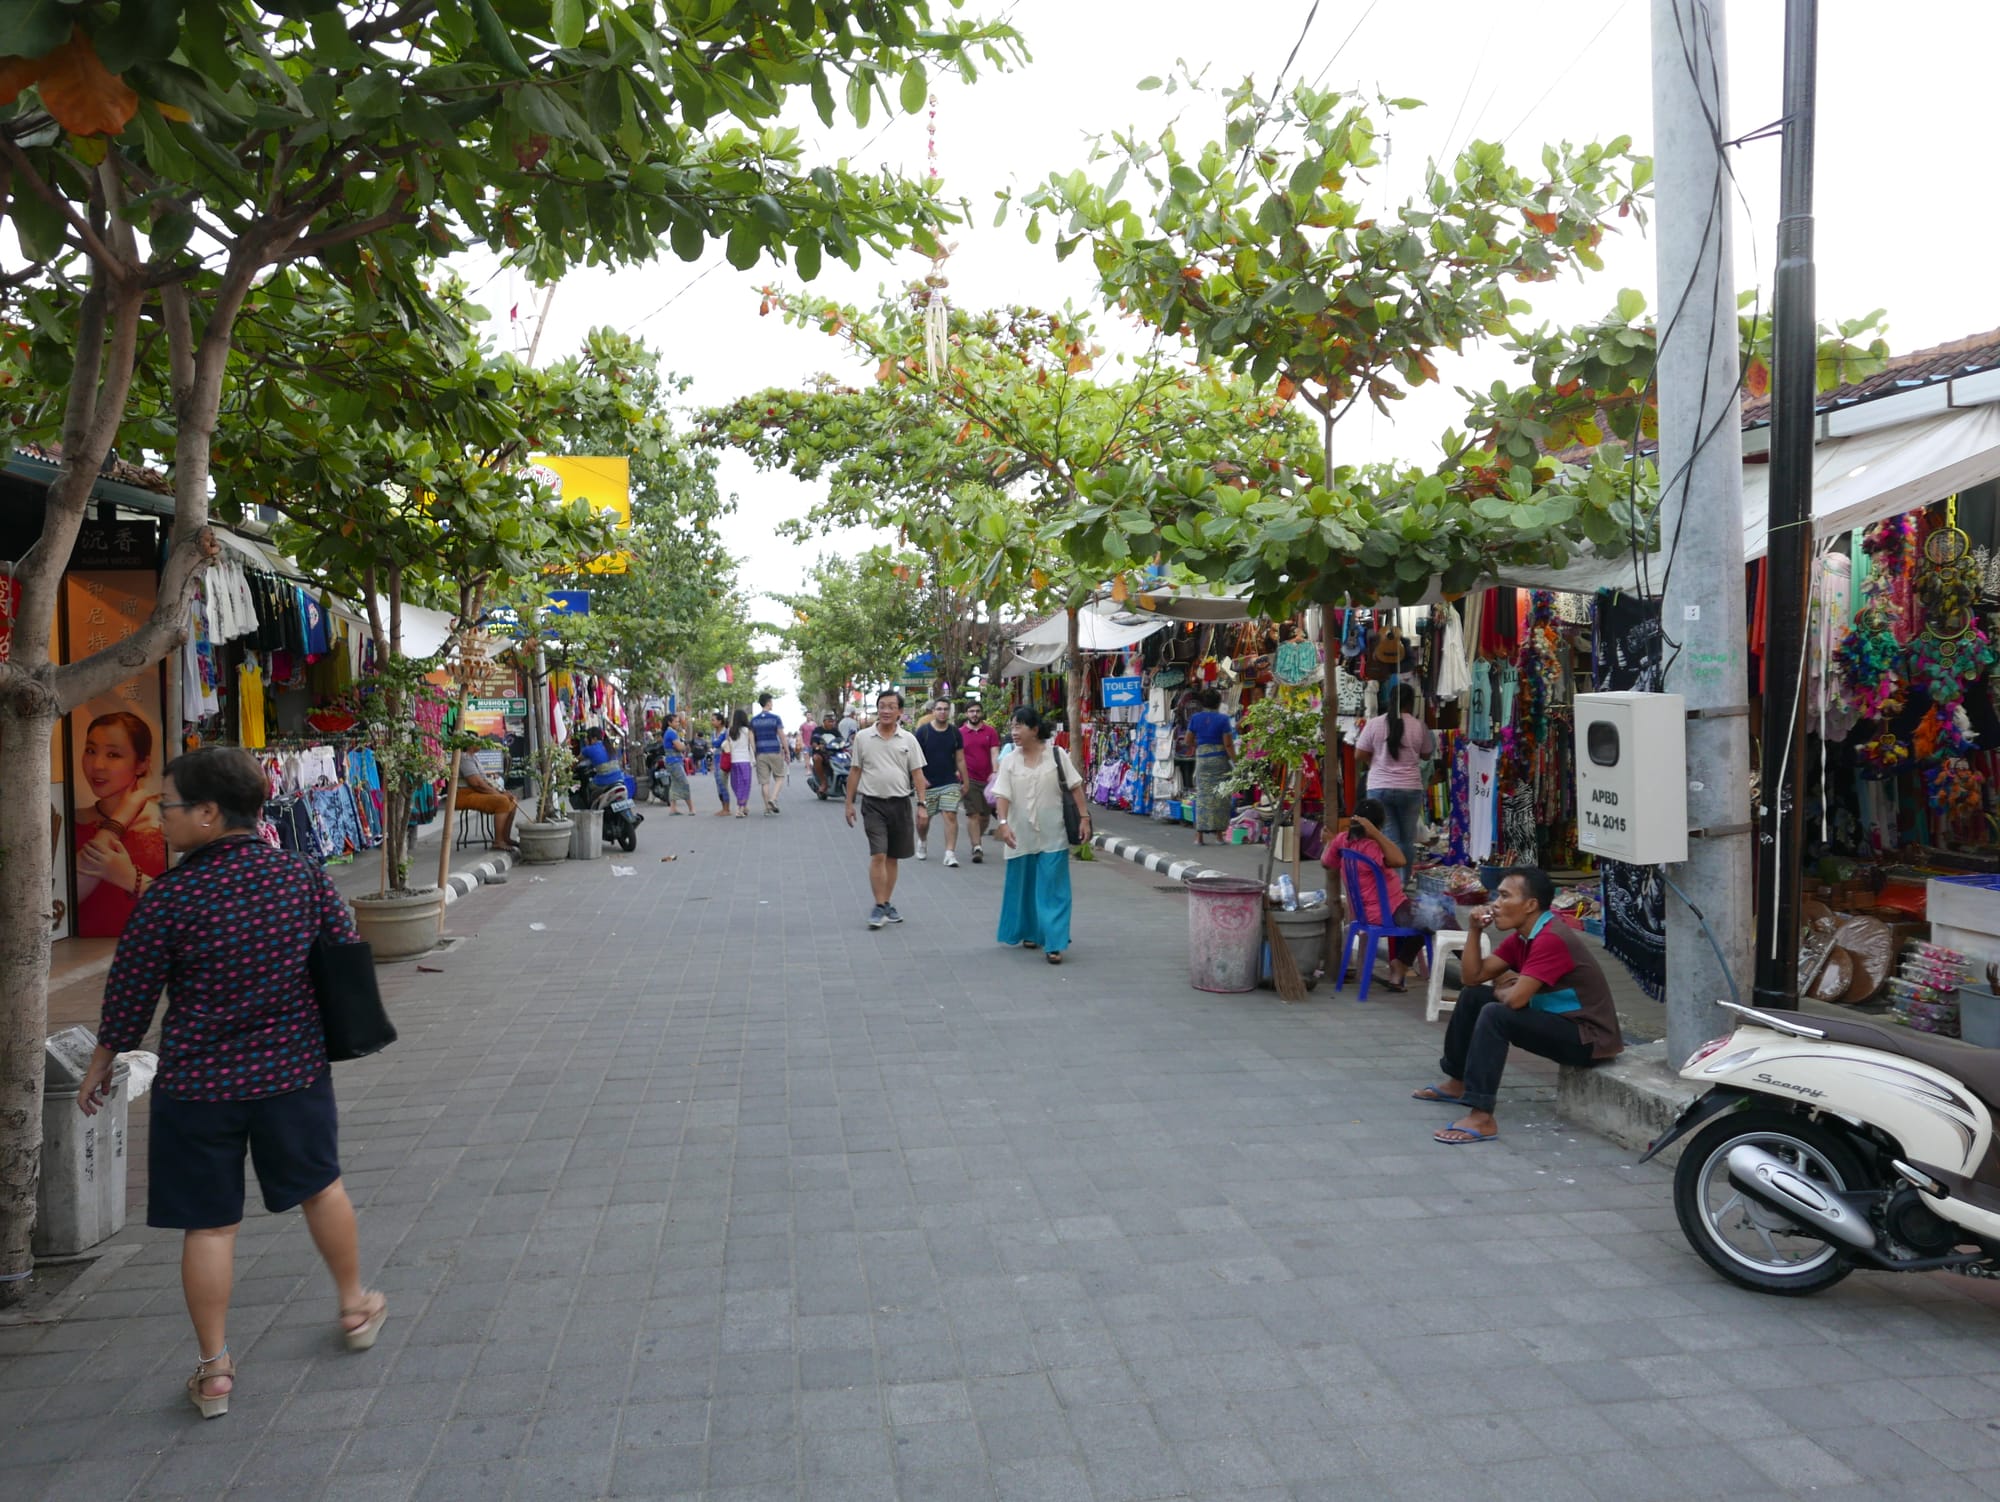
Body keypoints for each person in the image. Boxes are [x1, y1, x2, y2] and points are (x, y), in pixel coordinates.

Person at [77, 747, 387, 1420]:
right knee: (321, 1188)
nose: (162, 818)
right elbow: (342, 951)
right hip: (291, 1074)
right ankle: (355, 1307)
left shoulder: (170, 899)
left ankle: (215, 1372)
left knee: (210, 1229)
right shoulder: (301, 877)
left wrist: (100, 1066)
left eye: (169, 807)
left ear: (210, 814)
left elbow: (130, 995)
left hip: (196, 1087)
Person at [1417, 867, 1624, 1145]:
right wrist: (1475, 932)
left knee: (1495, 1014)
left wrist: (1507, 989)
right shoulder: (1523, 937)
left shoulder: (1551, 938)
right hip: (1561, 1023)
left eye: (1504, 896)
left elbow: (1515, 1000)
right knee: (1475, 996)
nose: (1496, 904)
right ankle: (1458, 1081)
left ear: (1530, 905)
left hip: (1589, 1039)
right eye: (1497, 896)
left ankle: (1482, 1115)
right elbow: (1472, 977)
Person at [992, 706, 1091, 963]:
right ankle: (1031, 931)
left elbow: (1076, 787)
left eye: (1019, 726)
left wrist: (1084, 818)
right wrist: (1003, 824)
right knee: (1024, 887)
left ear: (1034, 729)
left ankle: (1054, 943)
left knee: (1054, 889)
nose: (1014, 732)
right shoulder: (1010, 760)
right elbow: (1002, 794)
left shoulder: (1057, 755)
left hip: (1053, 834)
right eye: (1012, 726)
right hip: (1019, 835)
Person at [74, 708, 169, 938]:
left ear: (141, 764)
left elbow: (188, 904)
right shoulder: (73, 822)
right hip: (82, 958)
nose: (97, 765)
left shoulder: (166, 820)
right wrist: (120, 818)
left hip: (150, 956)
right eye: (90, 750)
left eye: (113, 755)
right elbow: (64, 896)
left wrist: (129, 877)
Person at [844, 688, 928, 929]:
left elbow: (918, 774)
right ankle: (880, 906)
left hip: (901, 803)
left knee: (893, 857)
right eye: (882, 706)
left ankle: (886, 902)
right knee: (878, 853)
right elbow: (855, 771)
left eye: (892, 706)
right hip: (872, 804)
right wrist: (849, 803)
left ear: (900, 712)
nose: (886, 711)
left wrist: (922, 805)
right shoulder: (863, 737)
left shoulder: (909, 740)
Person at [1322, 797, 1423, 992]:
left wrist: (1330, 842)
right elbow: (1400, 860)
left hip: (1364, 913)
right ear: (1378, 824)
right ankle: (1400, 965)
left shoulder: (1342, 841)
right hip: (1388, 911)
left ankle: (1399, 968)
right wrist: (1376, 833)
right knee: (1437, 917)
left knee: (1432, 914)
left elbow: (1327, 863)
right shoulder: (1374, 847)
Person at [1354, 682, 1431, 868]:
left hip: (1379, 786)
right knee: (1407, 839)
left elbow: (1359, 754)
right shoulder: (1419, 726)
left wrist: (1374, 761)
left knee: (1389, 837)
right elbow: (1426, 754)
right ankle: (1402, 884)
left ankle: (1394, 885)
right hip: (1410, 788)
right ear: (1410, 703)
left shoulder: (1375, 724)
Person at [913, 698, 966, 867]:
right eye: (939, 709)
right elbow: (913, 759)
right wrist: (920, 779)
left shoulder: (954, 733)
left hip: (949, 781)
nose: (942, 712)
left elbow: (960, 758)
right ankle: (922, 841)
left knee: (950, 815)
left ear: (949, 712)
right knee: (923, 821)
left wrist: (966, 780)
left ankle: (950, 853)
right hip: (927, 784)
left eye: (945, 709)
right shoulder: (923, 732)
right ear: (933, 711)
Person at [1185, 689, 1236, 845]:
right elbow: (1228, 744)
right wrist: (1237, 761)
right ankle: (1219, 835)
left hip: (1203, 760)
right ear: (1218, 703)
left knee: (1203, 797)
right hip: (1219, 761)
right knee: (1220, 797)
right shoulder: (1223, 719)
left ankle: (1199, 836)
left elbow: (1188, 740)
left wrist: (1201, 746)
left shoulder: (1195, 718)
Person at [958, 701, 1002, 864]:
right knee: (973, 814)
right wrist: (958, 773)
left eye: (977, 711)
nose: (974, 714)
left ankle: (978, 838)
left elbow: (994, 752)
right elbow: (957, 755)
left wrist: (995, 772)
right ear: (966, 714)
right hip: (969, 779)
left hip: (988, 779)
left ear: (981, 713)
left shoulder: (990, 731)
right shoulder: (960, 732)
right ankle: (976, 846)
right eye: (971, 711)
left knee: (984, 816)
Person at [454, 749, 520, 850]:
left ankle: (505, 837)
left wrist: (500, 791)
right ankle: (498, 841)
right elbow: (476, 783)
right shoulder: (464, 758)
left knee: (512, 799)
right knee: (502, 801)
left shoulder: (473, 757)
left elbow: (483, 781)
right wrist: (499, 794)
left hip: (476, 792)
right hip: (465, 794)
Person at [750, 691, 788, 814]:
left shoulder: (754, 720)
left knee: (764, 782)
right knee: (779, 777)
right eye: (771, 702)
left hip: (761, 752)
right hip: (774, 751)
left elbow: (751, 738)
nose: (772, 704)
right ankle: (773, 798)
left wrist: (755, 751)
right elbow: (782, 736)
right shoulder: (775, 718)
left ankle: (767, 808)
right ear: (768, 703)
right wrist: (787, 751)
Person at [653, 716, 695, 816]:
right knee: (684, 783)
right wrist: (685, 746)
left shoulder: (667, 732)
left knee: (675, 784)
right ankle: (691, 808)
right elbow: (680, 747)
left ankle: (673, 808)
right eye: (676, 722)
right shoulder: (672, 733)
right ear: (669, 722)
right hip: (674, 762)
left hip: (670, 761)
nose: (678, 723)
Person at [708, 710, 732, 814]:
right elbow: (714, 744)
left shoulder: (726, 732)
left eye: (713, 720)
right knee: (719, 784)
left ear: (720, 721)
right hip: (717, 759)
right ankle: (723, 807)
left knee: (723, 783)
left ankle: (727, 808)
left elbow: (716, 744)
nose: (711, 722)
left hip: (724, 758)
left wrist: (716, 742)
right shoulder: (714, 732)